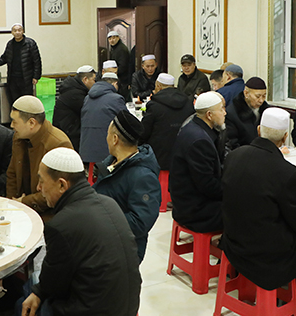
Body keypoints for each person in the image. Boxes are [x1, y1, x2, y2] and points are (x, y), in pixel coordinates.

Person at [15, 148, 141, 316]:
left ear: (62, 185)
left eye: (42, 182)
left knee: (23, 307)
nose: (38, 188)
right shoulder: (109, 204)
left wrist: (37, 293)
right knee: (34, 292)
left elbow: (53, 287)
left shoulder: (62, 225)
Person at [220, 107, 296, 316]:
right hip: (266, 254)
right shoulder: (286, 172)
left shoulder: (233, 156)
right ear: (286, 137)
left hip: (233, 239)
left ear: (259, 130)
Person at [93, 111, 161, 262]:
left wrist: (100, 219)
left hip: (123, 251)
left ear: (115, 139)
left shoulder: (143, 176)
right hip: (103, 240)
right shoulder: (111, 161)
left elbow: (140, 222)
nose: (106, 138)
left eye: (108, 134)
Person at [6, 96, 72, 218]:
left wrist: (24, 202)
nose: (11, 125)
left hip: (49, 214)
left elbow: (57, 190)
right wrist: (12, 203)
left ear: (32, 123)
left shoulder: (58, 144)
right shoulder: (19, 137)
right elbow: (12, 174)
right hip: (20, 208)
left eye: (15, 121)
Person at [169, 92, 226, 233]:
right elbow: (207, 185)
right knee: (247, 208)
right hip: (194, 209)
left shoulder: (195, 126)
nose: (225, 113)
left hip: (191, 201)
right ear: (209, 115)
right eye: (221, 109)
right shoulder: (199, 140)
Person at [140, 73, 194, 171]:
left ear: (158, 86)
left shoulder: (154, 106)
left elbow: (144, 132)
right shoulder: (188, 103)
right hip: (184, 155)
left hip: (160, 157)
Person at [0, 23, 42, 105]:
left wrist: (36, 76)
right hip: (13, 79)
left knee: (27, 102)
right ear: (12, 32)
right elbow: (4, 58)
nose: (17, 32)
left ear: (23, 31)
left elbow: (37, 61)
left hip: (26, 79)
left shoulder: (30, 43)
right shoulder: (10, 44)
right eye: (15, 30)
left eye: (19, 30)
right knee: (15, 102)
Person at [80, 72, 126, 166]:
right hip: (106, 151)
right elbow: (126, 120)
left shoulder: (87, 98)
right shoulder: (116, 98)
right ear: (114, 84)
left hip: (86, 149)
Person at [54, 65, 96, 151]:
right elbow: (89, 111)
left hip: (67, 128)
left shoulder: (75, 88)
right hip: (68, 132)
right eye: (94, 80)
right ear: (85, 79)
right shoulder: (75, 93)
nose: (95, 83)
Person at [225, 77, 271, 150]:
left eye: (264, 96)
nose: (261, 100)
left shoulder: (267, 111)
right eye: (257, 96)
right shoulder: (232, 113)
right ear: (246, 93)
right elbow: (232, 142)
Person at [106, 30, 133, 101]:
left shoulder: (121, 49)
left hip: (123, 80)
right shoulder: (114, 48)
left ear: (118, 38)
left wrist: (112, 73)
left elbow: (123, 67)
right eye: (110, 39)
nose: (112, 40)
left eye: (114, 38)